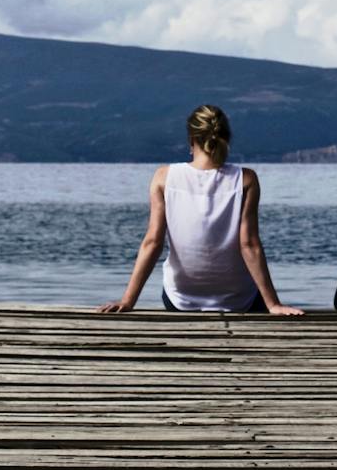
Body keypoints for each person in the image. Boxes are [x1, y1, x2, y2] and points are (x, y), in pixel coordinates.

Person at [97, 105, 304, 316]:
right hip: (238, 300)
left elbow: (152, 242)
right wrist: (273, 305)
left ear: (191, 140)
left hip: (180, 299)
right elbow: (249, 244)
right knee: (253, 295)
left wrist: (128, 300)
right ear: (226, 138)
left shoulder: (164, 177)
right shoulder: (246, 179)